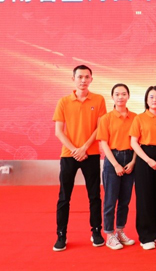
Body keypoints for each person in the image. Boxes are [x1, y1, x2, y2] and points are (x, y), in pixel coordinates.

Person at [53, 65, 107, 251]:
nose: (83, 80)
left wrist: (84, 148)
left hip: (91, 154)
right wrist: (75, 150)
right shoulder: (63, 102)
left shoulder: (99, 100)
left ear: (91, 79)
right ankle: (61, 234)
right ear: (73, 79)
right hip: (69, 155)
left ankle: (96, 231)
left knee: (94, 196)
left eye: (87, 77)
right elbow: (59, 131)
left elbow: (100, 128)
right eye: (80, 77)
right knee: (64, 197)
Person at [130, 86, 156, 250]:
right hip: (144, 157)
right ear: (146, 100)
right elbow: (134, 142)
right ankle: (146, 236)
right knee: (145, 197)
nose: (155, 100)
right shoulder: (139, 118)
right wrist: (148, 160)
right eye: (151, 97)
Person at [97, 83, 137, 250]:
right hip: (113, 159)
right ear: (112, 97)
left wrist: (133, 162)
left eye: (124, 94)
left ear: (128, 96)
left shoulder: (135, 117)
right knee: (110, 200)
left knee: (125, 200)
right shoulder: (106, 118)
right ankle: (109, 234)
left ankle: (120, 230)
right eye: (117, 94)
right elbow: (104, 143)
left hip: (130, 159)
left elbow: (138, 142)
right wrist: (115, 164)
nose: (120, 97)